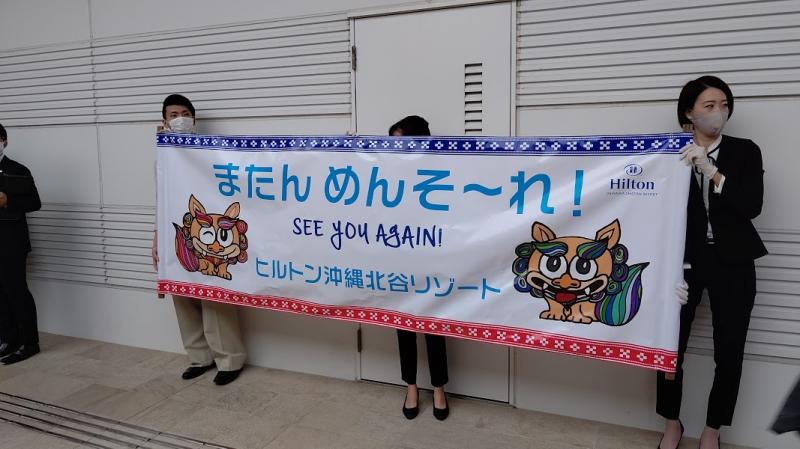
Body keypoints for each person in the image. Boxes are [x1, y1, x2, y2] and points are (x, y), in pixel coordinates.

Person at [656, 76, 767, 449]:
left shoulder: (745, 151)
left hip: (734, 261)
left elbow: (751, 206)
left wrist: (712, 172)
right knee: (669, 345)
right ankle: (671, 423)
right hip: (683, 262)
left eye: (724, 104)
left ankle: (712, 431)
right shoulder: (667, 153)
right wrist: (667, 267)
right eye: (709, 105)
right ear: (689, 112)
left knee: (729, 352)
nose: (719, 112)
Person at [152, 94, 247, 385]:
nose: (179, 119)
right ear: (164, 120)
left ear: (193, 119)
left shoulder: (210, 151)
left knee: (215, 294)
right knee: (182, 295)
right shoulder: (162, 156)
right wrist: (157, 238)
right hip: (179, 231)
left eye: (184, 113)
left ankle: (229, 359)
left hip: (212, 232)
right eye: (173, 115)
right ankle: (199, 357)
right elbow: (161, 200)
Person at [388, 115, 450, 421]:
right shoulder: (387, 176)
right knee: (403, 325)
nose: (395, 149)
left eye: (401, 143)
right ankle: (410, 387)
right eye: (392, 144)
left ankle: (439, 388)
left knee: (434, 326)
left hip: (432, 259)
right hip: (400, 260)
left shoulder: (438, 175)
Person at [0, 123, 42, 365]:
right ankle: (8, 339)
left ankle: (30, 343)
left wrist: (7, 201)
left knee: (16, 290)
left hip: (11, 243)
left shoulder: (18, 170)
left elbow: (35, 203)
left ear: (4, 140)